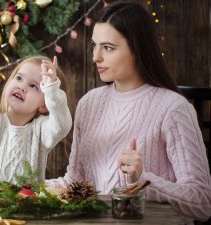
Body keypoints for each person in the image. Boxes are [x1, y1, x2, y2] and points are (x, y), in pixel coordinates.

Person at [45, 1, 211, 224]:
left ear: (137, 48)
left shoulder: (174, 109)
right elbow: (75, 182)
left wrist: (142, 181)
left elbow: (202, 203)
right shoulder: (89, 104)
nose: (96, 57)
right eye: (94, 45)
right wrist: (22, 184)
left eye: (108, 48)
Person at [0, 23, 72, 192]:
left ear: (44, 105)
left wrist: (52, 90)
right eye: (19, 78)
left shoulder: (42, 132)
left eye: (34, 86)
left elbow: (62, 125)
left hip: (26, 213)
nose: (22, 87)